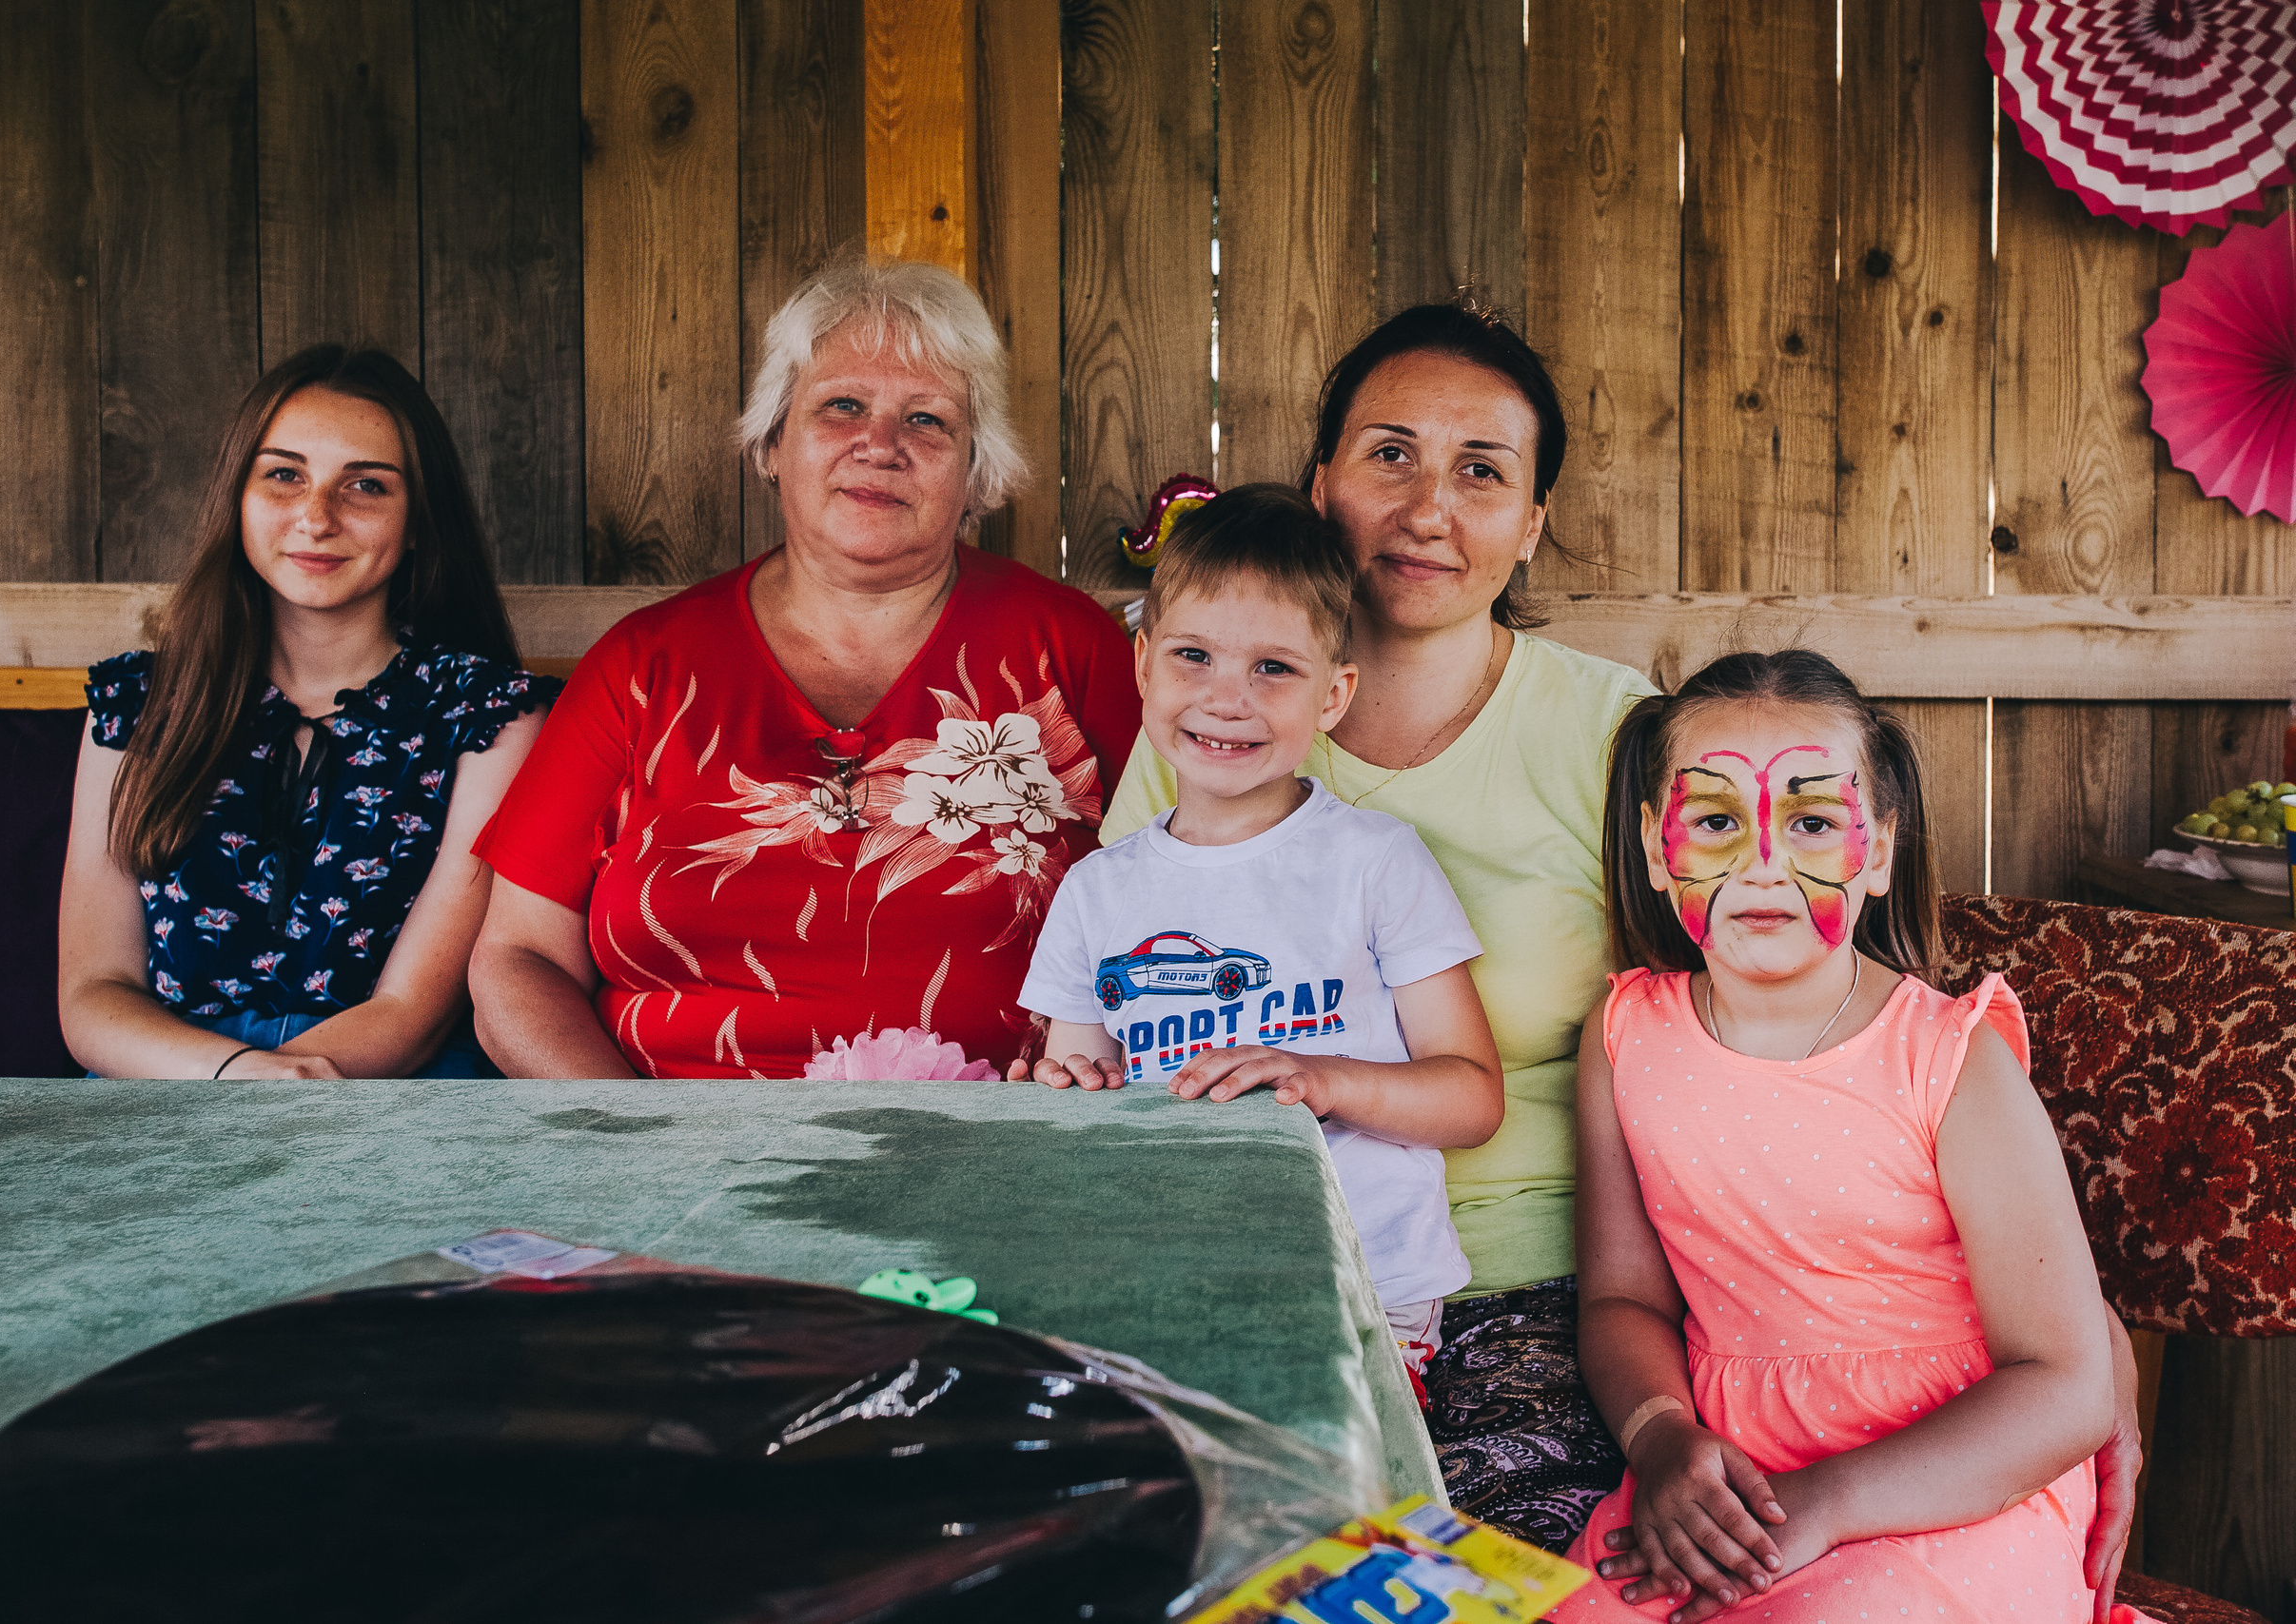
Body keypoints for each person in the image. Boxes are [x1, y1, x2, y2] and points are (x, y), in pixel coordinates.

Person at [1101, 304, 2145, 1574]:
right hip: (1247, 1264)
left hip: (1537, 1294)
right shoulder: (1217, 720)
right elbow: (1117, 1001)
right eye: (1390, 454)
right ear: (1323, 484)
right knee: (1176, 1561)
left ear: (1531, 522)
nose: (1428, 508)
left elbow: (1822, 1002)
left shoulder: (1618, 741)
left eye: (1481, 470)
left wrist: (2076, 1336)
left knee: (1493, 1584)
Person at [1550, 649, 2148, 1624]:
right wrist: (1659, 1437)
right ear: (1657, 849)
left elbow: (2067, 1386)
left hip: (1955, 1476)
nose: (1762, 863)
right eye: (1715, 821)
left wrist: (1827, 1503)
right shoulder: (1624, 1038)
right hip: (1731, 1468)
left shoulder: (1950, 1060)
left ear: (1877, 852)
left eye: (1813, 822)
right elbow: (1623, 1298)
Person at [468, 256, 1141, 1080]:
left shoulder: (1069, 651)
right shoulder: (643, 668)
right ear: (773, 442)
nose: (881, 445)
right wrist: (628, 1139)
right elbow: (518, 958)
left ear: (975, 471)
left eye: (927, 420)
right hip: (676, 1139)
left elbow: (1207, 876)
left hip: (1006, 1132)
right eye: (843, 405)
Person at [1016, 485, 1505, 1397]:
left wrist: (1324, 1079)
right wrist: (1067, 1092)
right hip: (1163, 1279)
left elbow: (1473, 1097)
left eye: (1274, 668)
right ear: (1143, 665)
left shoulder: (1376, 862)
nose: (1226, 698)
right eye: (1193, 655)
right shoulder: (1095, 893)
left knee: (1306, 1452)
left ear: (1333, 694)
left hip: (1361, 1284)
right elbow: (1081, 1104)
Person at [59, 345, 556, 1080]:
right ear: (238, 496)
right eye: (284, 475)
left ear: (419, 521)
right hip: (167, 1087)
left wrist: (270, 1089)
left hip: (387, 1095)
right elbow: (93, 991)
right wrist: (234, 1076)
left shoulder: (490, 716)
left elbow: (413, 1012)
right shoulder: (138, 706)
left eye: (366, 486)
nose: (316, 517)